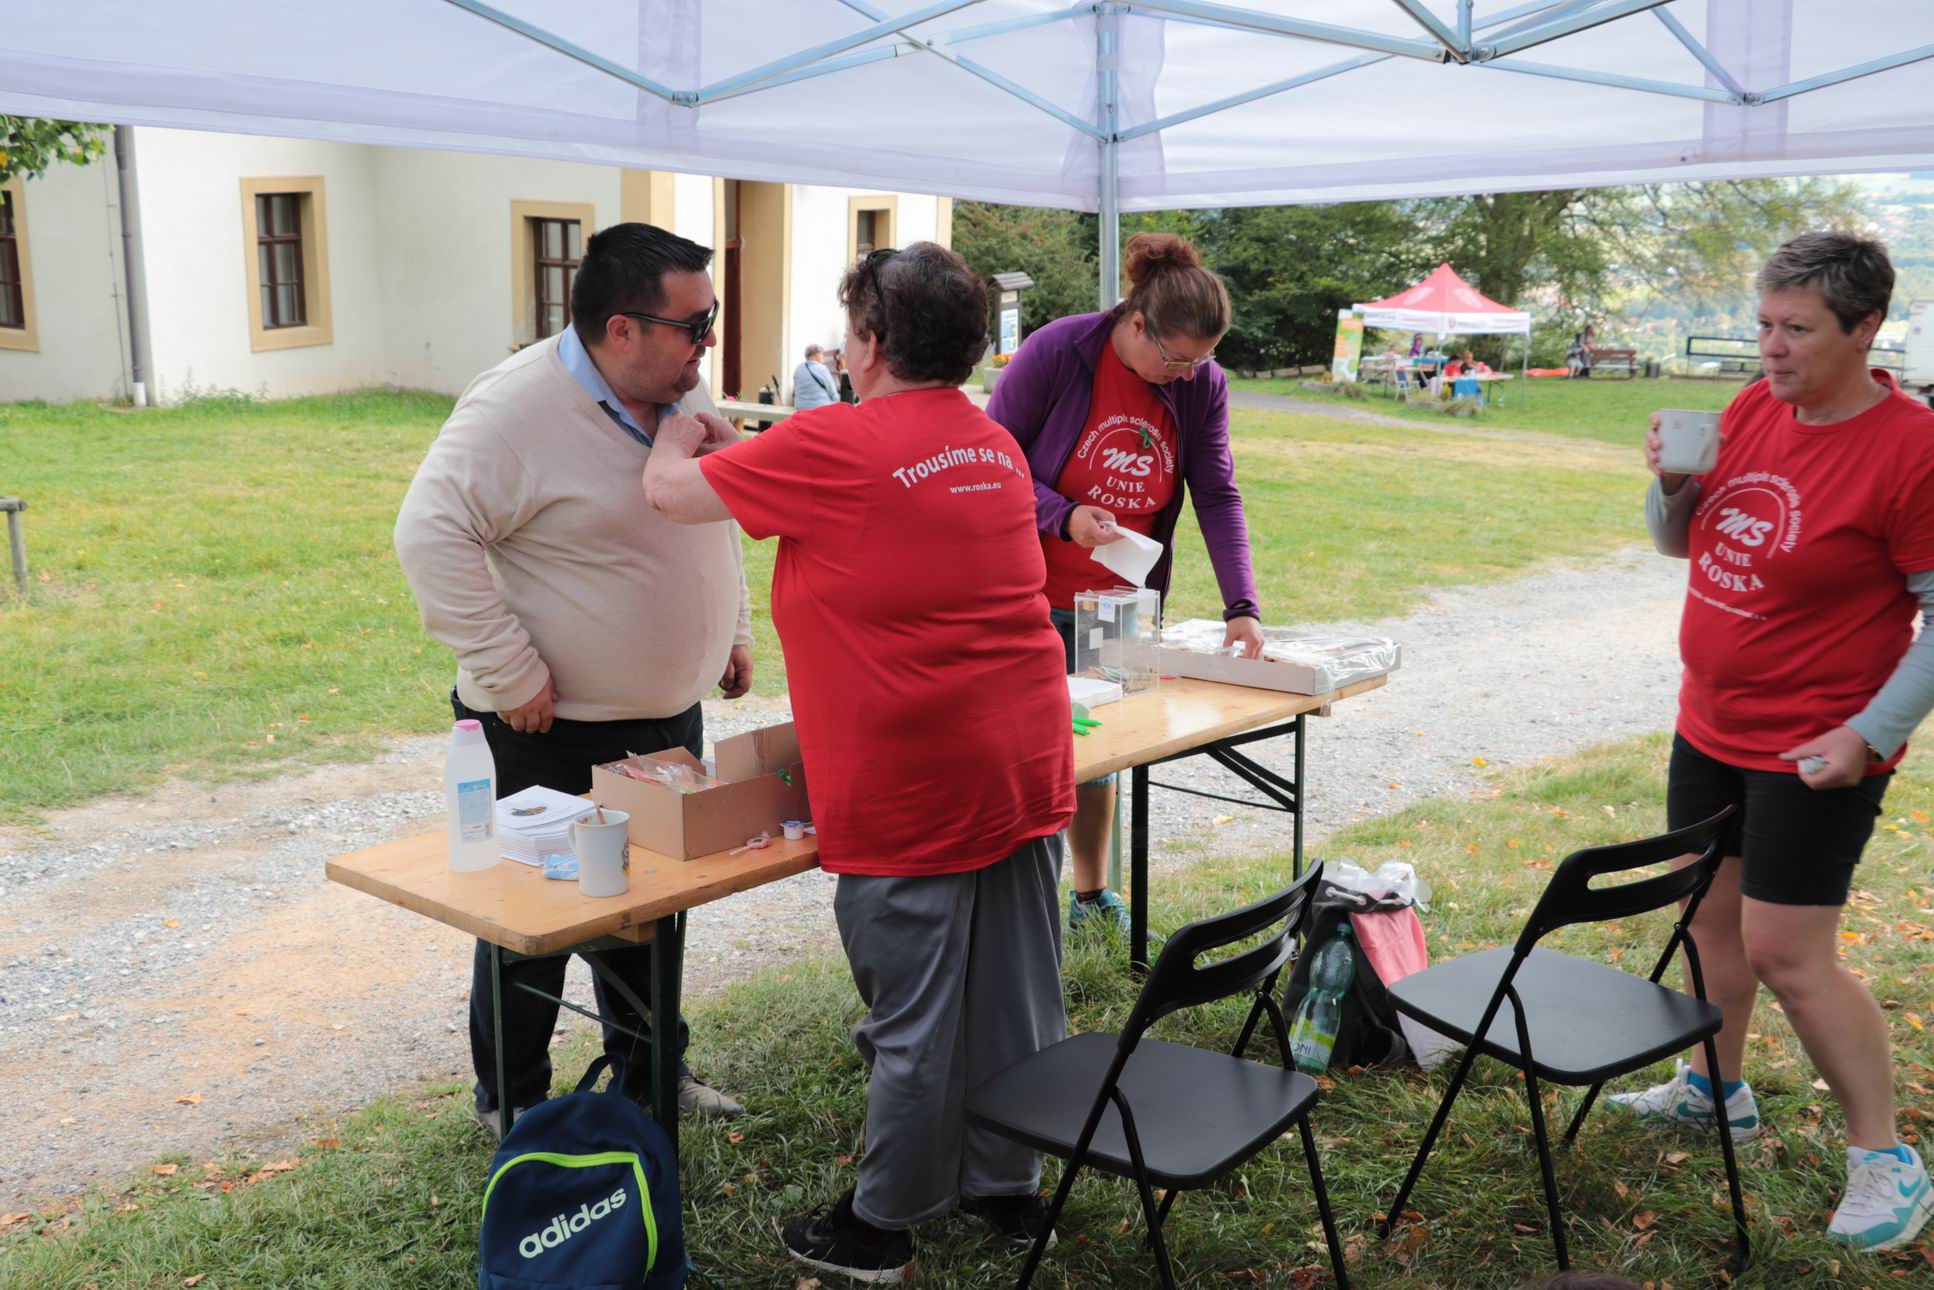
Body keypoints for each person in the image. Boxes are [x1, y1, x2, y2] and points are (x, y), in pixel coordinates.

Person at [643, 242, 1076, 1281]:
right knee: (1015, 990)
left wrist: (679, 427)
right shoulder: (991, 444)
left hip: (912, 772)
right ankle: (1005, 1185)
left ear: (871, 342)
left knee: (913, 1016)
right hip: (1021, 751)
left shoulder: (836, 442)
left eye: (851, 330)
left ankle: (881, 1222)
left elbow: (669, 494)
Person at [394, 221, 753, 1138]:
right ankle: (511, 1097)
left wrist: (731, 631)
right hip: (551, 728)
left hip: (666, 716)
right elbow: (429, 536)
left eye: (708, 322)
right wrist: (508, 668)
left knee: (649, 911)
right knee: (534, 922)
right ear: (621, 329)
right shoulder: (512, 408)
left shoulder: (676, 386)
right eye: (693, 326)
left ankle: (647, 1071)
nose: (708, 344)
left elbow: (709, 512)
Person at [1616, 231, 1934, 1252]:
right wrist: (1669, 483)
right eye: (1761, 324)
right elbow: (1684, 545)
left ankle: (1884, 1158)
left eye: (1795, 330)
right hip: (1709, 721)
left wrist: (1867, 733)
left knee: (1787, 954)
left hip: (1818, 744)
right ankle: (1713, 1090)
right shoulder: (1755, 408)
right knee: (1706, 919)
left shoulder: (1909, 449)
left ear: (1864, 330)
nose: (1769, 349)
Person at [988, 231, 1261, 933]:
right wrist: (1062, 515)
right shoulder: (1059, 351)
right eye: (1174, 358)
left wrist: (1242, 606)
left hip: (1120, 598)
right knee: (1029, 755)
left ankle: (1088, 894)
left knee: (1105, 745)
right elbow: (993, 460)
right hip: (1028, 591)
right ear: (1134, 323)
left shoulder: (1200, 384)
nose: (1186, 373)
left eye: (1201, 361)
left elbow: (1218, 494)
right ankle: (1019, 912)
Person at [791, 343, 839, 411]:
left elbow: (795, 389)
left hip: (800, 406)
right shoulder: (822, 368)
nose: (823, 356)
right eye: (820, 353)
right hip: (820, 407)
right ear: (812, 355)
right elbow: (832, 391)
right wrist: (836, 401)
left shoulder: (798, 368)